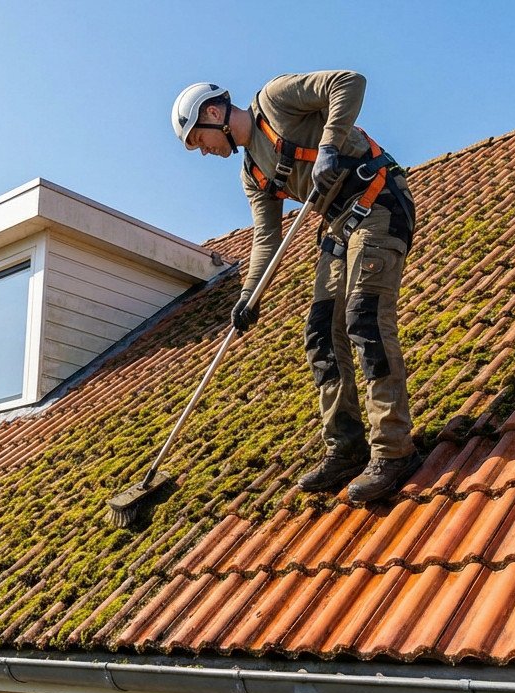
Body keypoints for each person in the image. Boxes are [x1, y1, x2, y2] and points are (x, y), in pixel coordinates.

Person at [171, 73, 420, 504]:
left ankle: (394, 451)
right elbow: (266, 239)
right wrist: (249, 295)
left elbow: (349, 82)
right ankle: (346, 447)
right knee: (321, 334)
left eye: (200, 140)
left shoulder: (276, 99)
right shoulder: (252, 173)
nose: (205, 152)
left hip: (378, 201)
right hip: (339, 225)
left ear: (214, 114)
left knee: (364, 317)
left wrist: (328, 146)